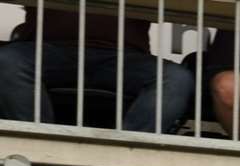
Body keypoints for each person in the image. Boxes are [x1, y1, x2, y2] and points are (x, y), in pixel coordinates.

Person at [0, 10, 193, 133]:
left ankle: (128, 152)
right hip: (48, 49)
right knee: (9, 60)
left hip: (124, 57)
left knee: (175, 77)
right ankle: (40, 143)